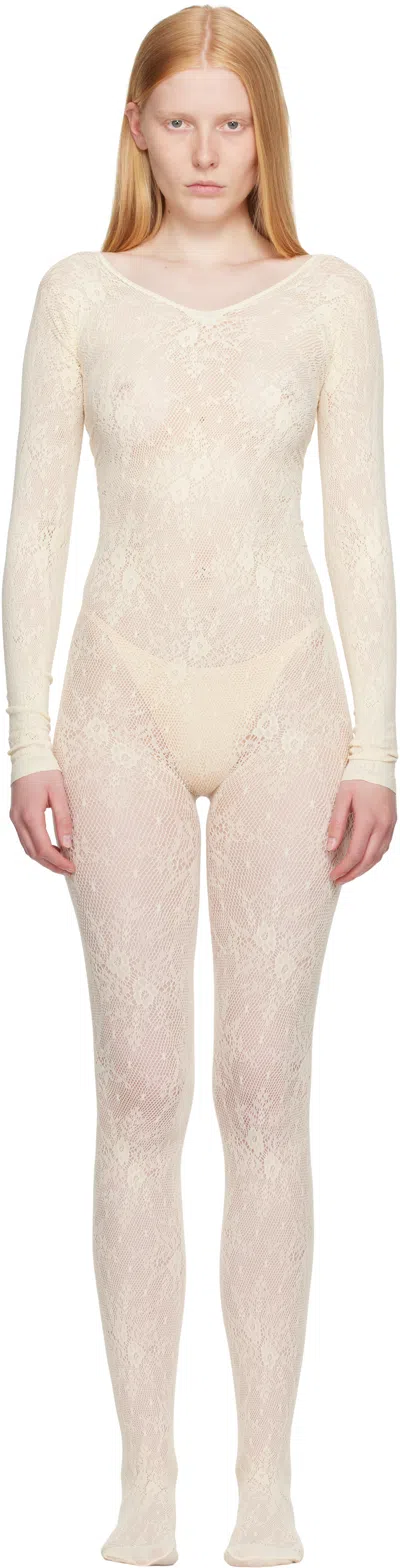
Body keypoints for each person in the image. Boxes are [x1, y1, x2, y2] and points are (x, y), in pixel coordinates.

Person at [2, 6, 398, 1566]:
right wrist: (27, 738)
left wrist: (378, 749)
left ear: (267, 134)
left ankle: (270, 1490)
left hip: (289, 693)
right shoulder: (77, 295)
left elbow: (361, 528)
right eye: (182, 121)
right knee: (142, 1088)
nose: (210, 151)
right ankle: (146, 1488)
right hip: (119, 698)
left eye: (235, 123)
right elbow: (37, 526)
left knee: (265, 1089)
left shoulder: (332, 299)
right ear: (137, 129)